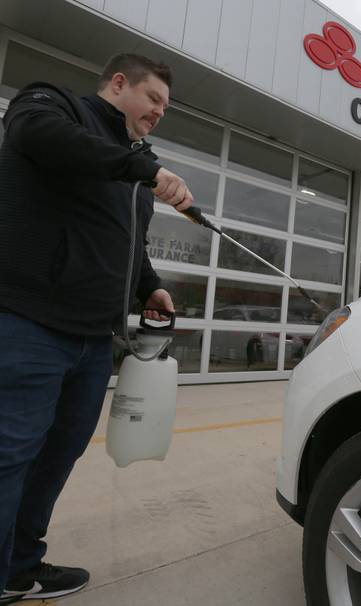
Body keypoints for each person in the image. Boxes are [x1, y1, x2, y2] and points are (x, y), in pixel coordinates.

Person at [0, 53, 194, 604]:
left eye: (165, 106)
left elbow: (124, 239)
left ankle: (19, 566)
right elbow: (37, 134)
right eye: (153, 99)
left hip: (92, 341)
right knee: (8, 455)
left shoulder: (133, 163)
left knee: (56, 456)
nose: (159, 112)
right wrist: (143, 169)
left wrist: (147, 286)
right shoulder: (53, 106)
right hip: (27, 323)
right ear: (117, 83)